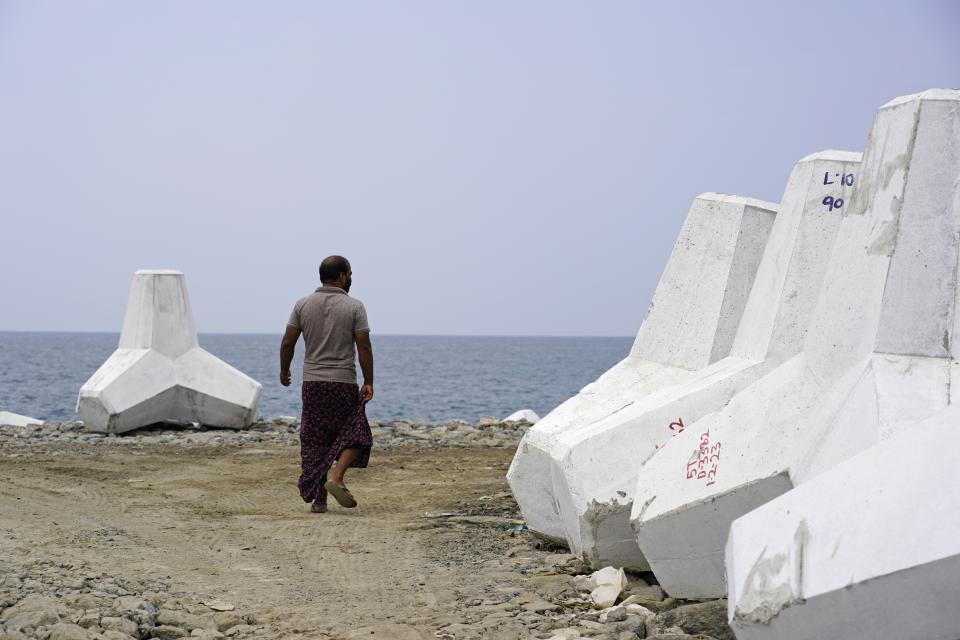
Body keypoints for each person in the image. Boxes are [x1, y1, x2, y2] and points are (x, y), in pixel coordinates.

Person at [280, 255, 374, 513]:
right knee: (357, 433)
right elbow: (363, 344)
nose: (352, 278)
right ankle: (337, 476)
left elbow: (288, 342)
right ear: (342, 275)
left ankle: (319, 500)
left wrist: (284, 369)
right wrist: (368, 380)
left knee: (314, 439)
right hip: (342, 382)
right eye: (350, 273)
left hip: (312, 383)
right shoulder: (355, 307)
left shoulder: (302, 305)